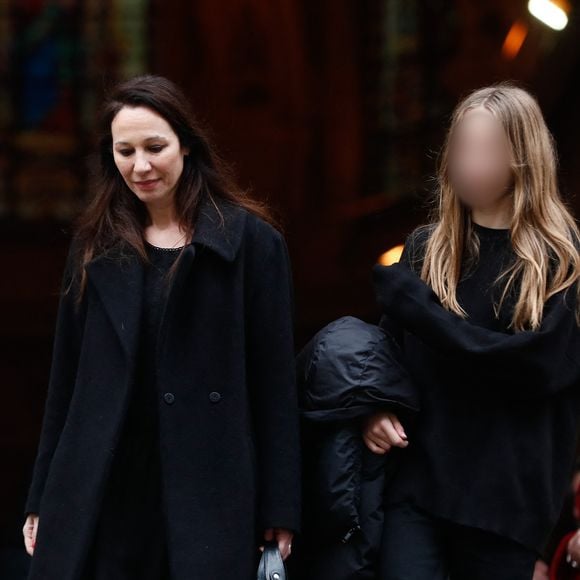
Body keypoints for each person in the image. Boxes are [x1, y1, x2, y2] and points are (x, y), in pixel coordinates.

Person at [21, 75, 300, 580]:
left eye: (155, 147)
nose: (140, 165)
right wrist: (42, 495)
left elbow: (274, 382)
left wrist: (280, 508)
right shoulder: (94, 245)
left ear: (187, 145)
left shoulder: (252, 244)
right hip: (105, 483)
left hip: (209, 482)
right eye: (124, 151)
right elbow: (65, 382)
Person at [367, 84, 580, 579]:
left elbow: (540, 369)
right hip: (418, 491)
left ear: (524, 158)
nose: (469, 163)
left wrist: (428, 317)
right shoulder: (427, 248)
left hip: (506, 506)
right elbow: (387, 358)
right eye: (463, 147)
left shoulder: (561, 259)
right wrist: (373, 411)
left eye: (487, 149)